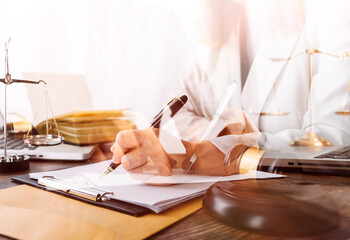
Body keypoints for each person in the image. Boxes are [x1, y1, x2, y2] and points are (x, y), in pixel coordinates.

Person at [111, 0, 350, 176]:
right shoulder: (218, 27)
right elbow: (178, 111)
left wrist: (211, 151)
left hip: (302, 202)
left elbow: (336, 138)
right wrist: (226, 134)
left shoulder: (333, 11)